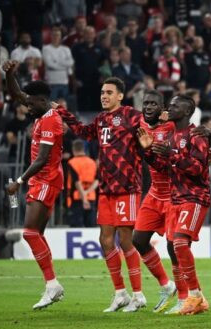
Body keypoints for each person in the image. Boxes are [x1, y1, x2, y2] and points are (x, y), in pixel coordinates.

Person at [59, 77, 146, 313]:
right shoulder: (100, 120)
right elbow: (83, 132)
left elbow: (152, 129)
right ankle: (120, 293)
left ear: (120, 95)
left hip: (127, 187)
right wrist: (64, 114)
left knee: (126, 240)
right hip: (107, 189)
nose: (104, 96)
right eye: (102, 92)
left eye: (109, 92)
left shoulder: (131, 115)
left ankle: (138, 295)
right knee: (105, 240)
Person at [138, 95, 211, 315]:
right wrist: (149, 152)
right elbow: (163, 166)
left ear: (188, 111)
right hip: (175, 198)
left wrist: (173, 154)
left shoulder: (196, 134)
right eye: (170, 104)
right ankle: (196, 299)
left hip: (195, 196)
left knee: (179, 244)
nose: (170, 107)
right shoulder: (171, 135)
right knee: (176, 247)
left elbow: (198, 168)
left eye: (175, 105)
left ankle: (194, 296)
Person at [2, 60, 64, 310]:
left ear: (41, 101)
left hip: (47, 179)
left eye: (30, 103)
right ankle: (51, 285)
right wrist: (9, 74)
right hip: (41, 179)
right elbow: (17, 93)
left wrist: (18, 181)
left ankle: (52, 284)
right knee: (36, 234)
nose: (26, 107)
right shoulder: (41, 111)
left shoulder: (50, 120)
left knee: (29, 233)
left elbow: (42, 159)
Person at [131, 91, 180, 314]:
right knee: (138, 240)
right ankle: (166, 285)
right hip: (154, 193)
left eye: (154, 104)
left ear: (163, 108)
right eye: (146, 103)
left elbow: (186, 120)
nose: (148, 107)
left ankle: (189, 294)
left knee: (174, 247)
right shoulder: (140, 124)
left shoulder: (171, 126)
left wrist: (172, 117)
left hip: (173, 194)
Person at [66, 139, 97, 227]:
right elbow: (97, 181)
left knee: (76, 225)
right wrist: (87, 193)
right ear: (84, 149)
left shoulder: (72, 163)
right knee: (91, 226)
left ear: (73, 149)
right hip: (91, 197)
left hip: (77, 198)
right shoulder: (92, 162)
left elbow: (76, 182)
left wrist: (84, 199)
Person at [42, 27, 74, 101]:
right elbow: (50, 65)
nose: (56, 37)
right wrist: (64, 64)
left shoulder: (66, 49)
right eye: (54, 35)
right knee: (52, 107)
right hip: (51, 82)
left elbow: (71, 62)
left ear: (60, 37)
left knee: (63, 108)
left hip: (64, 82)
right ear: (51, 36)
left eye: (58, 35)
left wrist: (56, 62)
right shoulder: (46, 49)